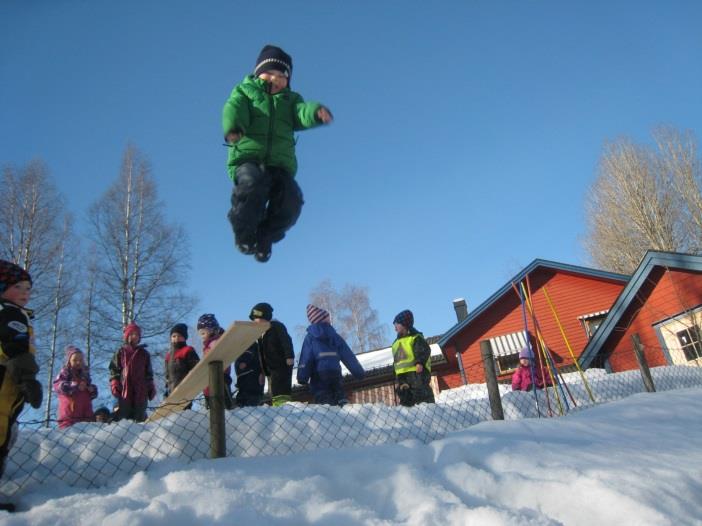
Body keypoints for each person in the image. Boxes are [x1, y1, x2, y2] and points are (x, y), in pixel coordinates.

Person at [222, 44, 333, 262]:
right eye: (269, 73)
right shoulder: (245, 92)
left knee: (292, 201)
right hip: (248, 159)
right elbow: (234, 107)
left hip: (280, 165)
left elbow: (302, 113)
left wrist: (315, 112)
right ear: (258, 73)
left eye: (282, 76)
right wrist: (234, 127)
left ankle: (265, 235)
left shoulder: (291, 101)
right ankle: (244, 233)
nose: (275, 79)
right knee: (252, 186)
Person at [0, 260, 42, 512]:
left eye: (28, 288)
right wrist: (28, 379)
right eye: (19, 287)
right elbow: (15, 348)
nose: (26, 293)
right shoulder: (10, 314)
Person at [297, 304, 364, 406]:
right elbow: (348, 355)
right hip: (335, 371)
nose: (329, 318)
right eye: (327, 316)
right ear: (322, 318)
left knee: (321, 393)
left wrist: (302, 376)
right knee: (337, 389)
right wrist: (358, 372)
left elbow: (306, 358)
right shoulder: (334, 336)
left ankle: (325, 405)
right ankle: (341, 401)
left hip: (318, 373)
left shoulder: (310, 338)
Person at [109, 322, 156, 422]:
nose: (134, 336)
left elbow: (148, 373)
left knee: (139, 413)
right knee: (124, 415)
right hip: (125, 388)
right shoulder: (121, 352)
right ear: (126, 336)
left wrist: (150, 385)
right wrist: (115, 382)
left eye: (137, 334)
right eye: (131, 334)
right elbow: (114, 369)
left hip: (141, 389)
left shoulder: (144, 354)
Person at [249, 303, 294, 406]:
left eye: (257, 319)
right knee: (273, 389)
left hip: (281, 364)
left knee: (281, 387)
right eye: (254, 319)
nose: (255, 322)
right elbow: (260, 353)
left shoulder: (277, 327)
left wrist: (289, 356)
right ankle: (277, 405)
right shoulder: (260, 335)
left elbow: (286, 341)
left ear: (265, 317)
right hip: (269, 368)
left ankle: (283, 406)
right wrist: (262, 371)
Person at [391, 309, 435, 407]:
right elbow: (396, 360)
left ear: (404, 324)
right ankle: (408, 415)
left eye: (396, 325)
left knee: (421, 393)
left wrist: (419, 362)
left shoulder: (415, 338)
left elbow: (423, 350)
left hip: (416, 373)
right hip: (402, 376)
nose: (395, 329)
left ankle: (429, 409)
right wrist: (395, 374)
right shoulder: (395, 343)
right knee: (405, 396)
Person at [53, 345, 97, 428]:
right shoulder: (65, 373)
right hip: (70, 415)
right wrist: (75, 386)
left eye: (80, 360)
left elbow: (92, 392)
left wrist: (92, 389)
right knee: (69, 433)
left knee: (89, 430)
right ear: (69, 361)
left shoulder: (85, 376)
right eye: (75, 360)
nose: (78, 362)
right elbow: (57, 385)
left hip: (86, 414)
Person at [197, 314, 233, 409]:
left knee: (222, 410)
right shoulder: (208, 346)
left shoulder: (215, 343)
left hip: (219, 382)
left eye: (203, 333)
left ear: (212, 331)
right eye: (200, 333)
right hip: (209, 385)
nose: (202, 336)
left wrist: (224, 373)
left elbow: (223, 358)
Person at [164, 323, 200, 409]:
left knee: (184, 413)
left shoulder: (188, 350)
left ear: (184, 337)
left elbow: (196, 369)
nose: (176, 338)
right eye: (174, 336)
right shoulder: (168, 356)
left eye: (179, 336)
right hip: (172, 392)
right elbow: (167, 375)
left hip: (185, 390)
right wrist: (166, 389)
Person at [233, 342, 264, 407]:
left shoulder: (250, 342)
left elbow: (249, 352)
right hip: (243, 375)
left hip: (251, 373)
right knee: (243, 392)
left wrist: (244, 361)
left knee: (251, 393)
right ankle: (242, 404)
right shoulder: (240, 345)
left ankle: (249, 405)